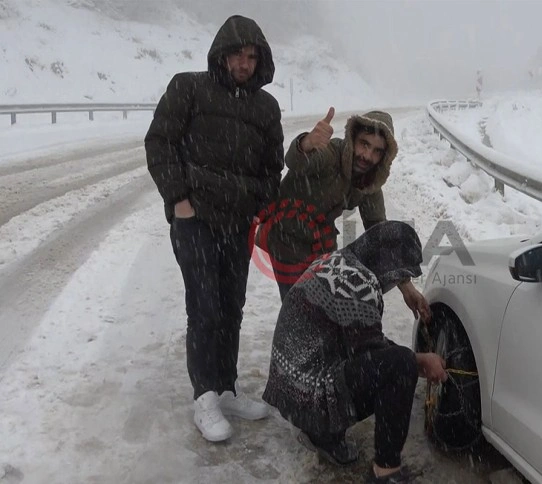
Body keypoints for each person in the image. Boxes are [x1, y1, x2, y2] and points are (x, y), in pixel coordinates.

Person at [144, 15, 284, 442]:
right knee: (204, 306)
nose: (244, 63)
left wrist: (260, 209)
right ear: (222, 54)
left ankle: (225, 389)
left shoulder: (266, 107)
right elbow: (159, 142)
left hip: (237, 225)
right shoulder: (189, 87)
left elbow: (271, 169)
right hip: (197, 221)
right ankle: (204, 395)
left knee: (231, 307)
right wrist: (178, 200)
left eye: (251, 56)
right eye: (238, 54)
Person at [262, 221, 448, 483]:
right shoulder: (358, 285)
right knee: (400, 365)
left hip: (288, 386)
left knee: (395, 361)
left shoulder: (339, 261)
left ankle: (321, 433)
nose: (396, 282)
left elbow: (363, 341)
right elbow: (376, 355)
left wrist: (406, 287)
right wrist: (420, 362)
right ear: (387, 264)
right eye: (398, 276)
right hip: (306, 394)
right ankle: (386, 471)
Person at [257, 107, 431, 322]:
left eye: (377, 151)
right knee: (302, 315)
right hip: (286, 240)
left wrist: (406, 288)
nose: (367, 155)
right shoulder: (331, 154)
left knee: (330, 315)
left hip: (321, 246)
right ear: (352, 139)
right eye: (364, 144)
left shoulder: (369, 181)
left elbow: (380, 233)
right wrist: (306, 144)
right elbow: (296, 160)